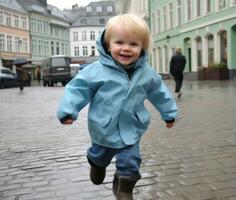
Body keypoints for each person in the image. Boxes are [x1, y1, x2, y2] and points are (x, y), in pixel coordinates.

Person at [57, 14, 178, 200]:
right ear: (108, 45)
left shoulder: (147, 73)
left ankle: (124, 189)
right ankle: (96, 165)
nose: (126, 49)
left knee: (131, 160)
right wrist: (68, 111)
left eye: (134, 44)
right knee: (100, 156)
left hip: (132, 127)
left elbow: (159, 92)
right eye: (119, 42)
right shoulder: (95, 71)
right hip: (103, 128)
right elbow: (77, 89)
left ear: (142, 47)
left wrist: (169, 113)